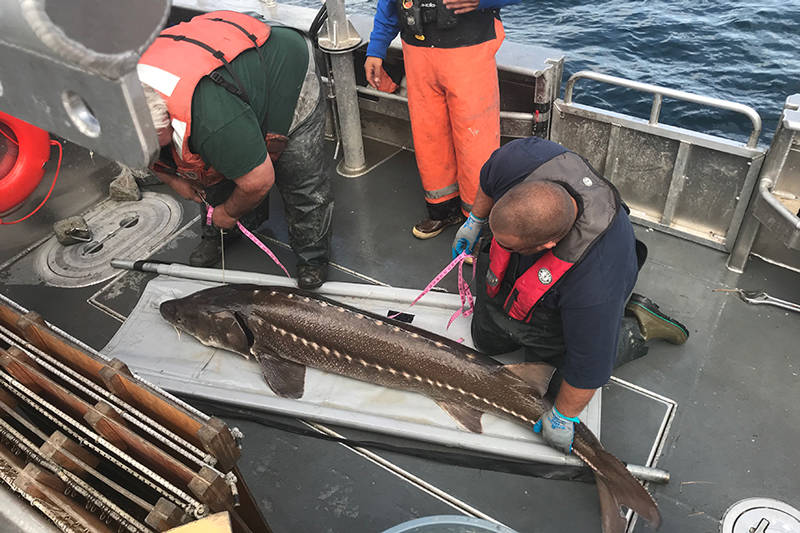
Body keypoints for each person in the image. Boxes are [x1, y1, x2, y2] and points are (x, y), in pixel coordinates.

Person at [465, 137, 689, 454]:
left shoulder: (595, 281)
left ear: (544, 248)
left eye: (510, 246)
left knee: (557, 389)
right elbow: (490, 178)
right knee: (485, 343)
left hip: (579, 302)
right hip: (530, 283)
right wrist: (475, 220)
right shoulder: (520, 159)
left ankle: (634, 327)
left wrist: (562, 417)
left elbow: (588, 365)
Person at [138, 10, 332, 289]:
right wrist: (174, 180)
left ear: (165, 123)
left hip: (286, 71)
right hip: (225, 81)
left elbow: (259, 181)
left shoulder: (212, 121)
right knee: (208, 169)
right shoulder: (116, 100)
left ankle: (313, 257)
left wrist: (227, 213)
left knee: (300, 175)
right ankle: (223, 233)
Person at [364, 0, 519, 240]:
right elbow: (389, 5)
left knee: (476, 141)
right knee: (429, 136)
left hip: (470, 51)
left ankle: (478, 223)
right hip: (417, 56)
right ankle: (442, 209)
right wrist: (376, 49)